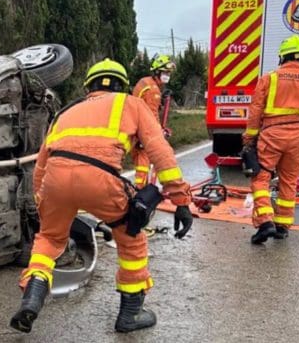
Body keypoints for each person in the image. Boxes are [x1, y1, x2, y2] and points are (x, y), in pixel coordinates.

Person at [10, 59, 192, 334]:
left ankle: (32, 299)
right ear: (122, 85)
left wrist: (41, 201)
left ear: (88, 87)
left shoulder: (66, 112)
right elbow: (160, 152)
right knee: (130, 237)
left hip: (55, 182)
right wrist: (181, 201)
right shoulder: (131, 104)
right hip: (101, 180)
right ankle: (130, 313)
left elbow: (42, 163)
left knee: (49, 239)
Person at [243, 35, 299, 244]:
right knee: (289, 180)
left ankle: (265, 222)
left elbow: (256, 110)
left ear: (282, 56)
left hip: (272, 133)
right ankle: (282, 226)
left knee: (260, 178)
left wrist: (249, 138)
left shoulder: (269, 78)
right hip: (298, 134)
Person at [131, 54, 176, 188]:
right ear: (157, 72)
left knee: (141, 162)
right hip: (142, 130)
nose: (167, 76)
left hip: (135, 126)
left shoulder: (145, 82)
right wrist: (159, 131)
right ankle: (140, 190)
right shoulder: (153, 89)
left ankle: (141, 188)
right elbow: (151, 115)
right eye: (165, 72)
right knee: (143, 162)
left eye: (169, 73)